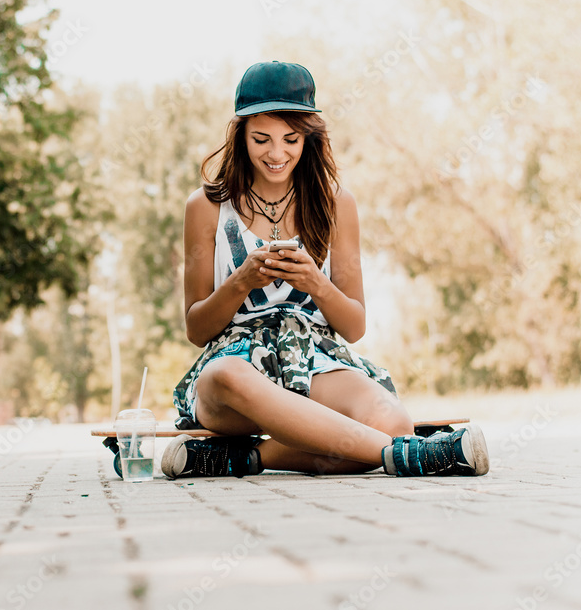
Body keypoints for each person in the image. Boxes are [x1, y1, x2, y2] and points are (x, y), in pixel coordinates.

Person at [162, 61, 489, 479]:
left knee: (392, 423)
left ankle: (245, 459)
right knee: (225, 374)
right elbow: (197, 329)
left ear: (309, 137)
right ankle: (409, 458)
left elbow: (353, 327)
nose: (276, 154)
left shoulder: (337, 204)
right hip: (234, 376)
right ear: (240, 133)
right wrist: (243, 279)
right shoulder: (206, 206)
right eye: (261, 139)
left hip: (311, 359)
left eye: (291, 139)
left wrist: (314, 282)